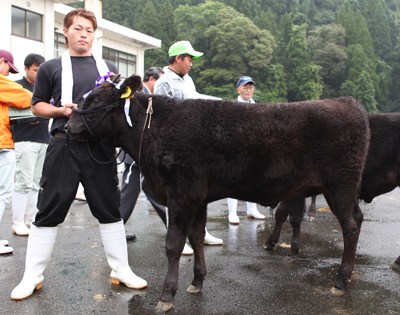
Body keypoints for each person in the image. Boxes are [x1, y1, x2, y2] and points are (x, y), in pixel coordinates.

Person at [11, 9, 147, 300]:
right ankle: (31, 276)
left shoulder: (108, 68)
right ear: (66, 31)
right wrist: (61, 110)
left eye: (89, 30)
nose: (84, 34)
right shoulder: (50, 67)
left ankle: (121, 269)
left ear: (94, 35)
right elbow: (37, 106)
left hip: (100, 148)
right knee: (49, 209)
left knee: (109, 208)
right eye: (78, 29)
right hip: (63, 143)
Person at [154, 40, 223, 245]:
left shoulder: (188, 80)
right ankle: (178, 239)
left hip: (193, 144)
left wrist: (216, 102)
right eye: (189, 59)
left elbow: (195, 100)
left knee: (198, 190)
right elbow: (160, 116)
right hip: (174, 146)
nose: (191, 63)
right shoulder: (163, 83)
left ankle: (200, 233)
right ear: (178, 58)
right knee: (175, 193)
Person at [11, 53, 48, 236]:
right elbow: (10, 115)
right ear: (26, 69)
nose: (38, 73)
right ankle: (17, 223)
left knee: (36, 183)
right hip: (24, 140)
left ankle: (31, 220)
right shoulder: (17, 86)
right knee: (23, 183)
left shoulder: (45, 87)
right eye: (35, 70)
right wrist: (28, 119)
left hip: (43, 139)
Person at [0, 50, 33, 255]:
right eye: (7, 69)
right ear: (1, 62)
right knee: (3, 192)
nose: (8, 75)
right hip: (2, 143)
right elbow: (27, 97)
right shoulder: (1, 82)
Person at [227, 76, 265, 225]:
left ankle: (252, 209)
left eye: (251, 87)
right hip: (236, 149)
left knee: (253, 180)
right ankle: (232, 213)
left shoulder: (257, 106)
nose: (249, 90)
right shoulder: (232, 106)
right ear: (238, 89)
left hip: (253, 149)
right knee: (233, 181)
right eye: (245, 87)